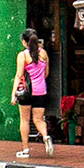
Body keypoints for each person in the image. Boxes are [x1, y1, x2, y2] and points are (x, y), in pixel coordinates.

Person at [13, 29, 53, 159]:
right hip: (41, 91)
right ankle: (45, 136)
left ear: (25, 42)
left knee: (25, 120)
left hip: (26, 92)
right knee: (39, 119)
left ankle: (25, 149)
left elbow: (19, 76)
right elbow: (46, 73)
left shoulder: (23, 56)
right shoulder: (44, 54)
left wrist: (13, 94)